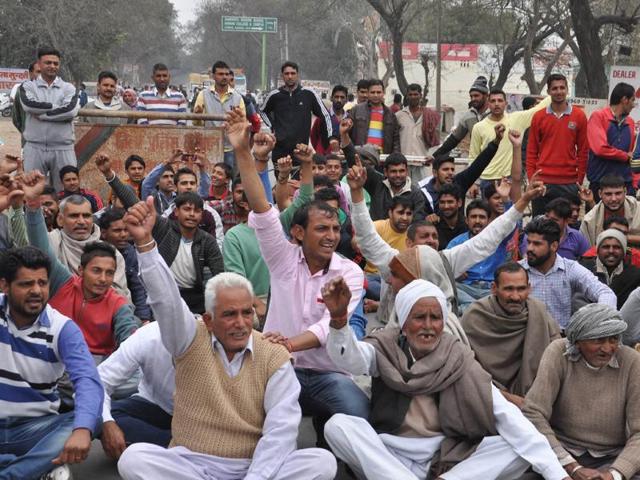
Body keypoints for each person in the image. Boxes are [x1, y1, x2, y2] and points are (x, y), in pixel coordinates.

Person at [117, 197, 337, 480]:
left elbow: (281, 430)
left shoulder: (273, 355)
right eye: (230, 314)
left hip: (254, 466)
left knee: (320, 462)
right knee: (134, 459)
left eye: (247, 313)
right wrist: (146, 246)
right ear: (208, 320)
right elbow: (167, 302)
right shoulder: (188, 341)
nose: (241, 323)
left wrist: (255, 477)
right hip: (191, 464)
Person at [324, 278, 571, 480]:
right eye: (419, 317)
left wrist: (558, 475)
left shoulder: (457, 357)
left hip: (445, 456)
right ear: (404, 322)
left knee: (516, 447)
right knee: (337, 425)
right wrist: (338, 321)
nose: (428, 326)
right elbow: (351, 360)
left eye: (436, 318)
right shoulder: (385, 348)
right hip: (390, 452)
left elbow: (505, 414)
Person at [227, 107, 369, 444]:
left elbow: (326, 329)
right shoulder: (282, 257)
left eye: (336, 228)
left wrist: (289, 343)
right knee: (264, 433)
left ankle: (329, 438)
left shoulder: (348, 271)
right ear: (298, 234)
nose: (331, 236)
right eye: (321, 228)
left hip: (327, 372)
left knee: (359, 413)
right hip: (277, 368)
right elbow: (261, 206)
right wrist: (243, 152)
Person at [347, 156, 545, 331]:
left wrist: (523, 201)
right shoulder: (395, 262)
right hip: (397, 328)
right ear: (409, 243)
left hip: (440, 331)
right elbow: (367, 237)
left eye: (434, 237)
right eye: (424, 237)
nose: (431, 241)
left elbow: (487, 239)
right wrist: (357, 193)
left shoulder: (446, 260)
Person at [0, 246, 102, 480]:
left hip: (35, 429)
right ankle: (36, 468)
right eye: (26, 284)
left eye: (42, 283)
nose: (36, 291)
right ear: (5, 286)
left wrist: (81, 430)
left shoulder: (62, 328)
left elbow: (87, 380)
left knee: (91, 419)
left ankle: (12, 473)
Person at [523, 304, 640, 480]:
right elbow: (533, 412)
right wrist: (571, 466)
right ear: (577, 341)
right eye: (598, 340)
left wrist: (614, 474)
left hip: (613, 456)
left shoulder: (631, 361)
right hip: (561, 451)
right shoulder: (558, 352)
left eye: (613, 339)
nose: (607, 349)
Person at [462, 262, 560, 406]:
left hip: (536, 397)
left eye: (521, 289)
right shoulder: (475, 316)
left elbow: (557, 356)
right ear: (494, 289)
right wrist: (506, 398)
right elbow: (466, 370)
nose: (515, 296)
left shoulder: (538, 312)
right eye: (508, 289)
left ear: (529, 289)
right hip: (487, 396)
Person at [519, 216, 616, 330]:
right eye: (529, 242)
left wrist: (599, 322)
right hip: (526, 336)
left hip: (561, 339)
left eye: (537, 244)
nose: (529, 248)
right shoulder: (518, 270)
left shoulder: (569, 269)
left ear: (554, 246)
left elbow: (605, 293)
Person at [97, 322, 174, 460]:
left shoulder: (215, 339)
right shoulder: (148, 335)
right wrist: (107, 423)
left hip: (205, 418)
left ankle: (177, 450)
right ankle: (177, 447)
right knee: (98, 414)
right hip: (158, 407)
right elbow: (97, 382)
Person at [526, 74, 588, 217]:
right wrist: (532, 179)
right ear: (548, 91)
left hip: (569, 183)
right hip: (543, 183)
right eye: (554, 88)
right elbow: (531, 151)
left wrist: (578, 180)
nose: (559, 91)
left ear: (567, 89)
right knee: (540, 226)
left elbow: (583, 151)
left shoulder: (579, 116)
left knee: (567, 227)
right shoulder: (538, 117)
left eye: (562, 87)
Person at [19, 47, 80, 191]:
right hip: (34, 146)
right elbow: (29, 105)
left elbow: (70, 110)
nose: (52, 66)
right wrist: (58, 108)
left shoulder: (68, 88)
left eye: (55, 63)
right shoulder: (28, 86)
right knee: (31, 190)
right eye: (48, 63)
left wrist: (42, 115)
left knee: (67, 191)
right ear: (39, 64)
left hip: (63, 147)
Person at [48, 193, 130, 298]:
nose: (81, 222)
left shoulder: (112, 253)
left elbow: (120, 296)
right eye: (74, 216)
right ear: (60, 220)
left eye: (86, 216)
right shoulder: (51, 243)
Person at [469, 88, 549, 184]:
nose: (496, 104)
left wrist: (553, 94)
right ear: (488, 104)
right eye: (493, 101)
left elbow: (538, 109)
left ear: (506, 103)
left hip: (510, 179)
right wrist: (472, 182)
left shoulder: (516, 119)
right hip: (486, 179)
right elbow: (473, 157)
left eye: (500, 100)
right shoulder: (478, 127)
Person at [419, 125, 503, 214]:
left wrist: (496, 142)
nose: (450, 173)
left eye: (452, 169)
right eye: (445, 169)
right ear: (435, 173)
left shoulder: (459, 183)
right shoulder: (424, 193)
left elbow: (479, 164)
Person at [260, 61, 332, 163]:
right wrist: (272, 126)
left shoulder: (308, 94)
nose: (290, 76)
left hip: (301, 150)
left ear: (297, 75)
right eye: (287, 73)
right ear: (282, 76)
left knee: (301, 179)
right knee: (280, 179)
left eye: (293, 73)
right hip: (279, 150)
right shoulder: (275, 95)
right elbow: (262, 111)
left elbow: (325, 115)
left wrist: (329, 139)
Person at [447, 199, 512, 311]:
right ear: (467, 220)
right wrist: (455, 272)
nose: (477, 221)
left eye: (482, 217)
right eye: (473, 217)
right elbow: (444, 268)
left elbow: (512, 221)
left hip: (491, 289)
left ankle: (471, 309)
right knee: (448, 288)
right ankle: (478, 308)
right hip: (465, 288)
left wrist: (506, 200)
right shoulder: (456, 243)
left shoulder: (498, 239)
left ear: (488, 220)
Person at [98, 208, 153, 323]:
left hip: (125, 310)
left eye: (126, 230)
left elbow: (138, 287)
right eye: (117, 231)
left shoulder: (131, 252)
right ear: (103, 233)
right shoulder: (95, 253)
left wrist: (143, 318)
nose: (123, 235)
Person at [587, 82, 637, 199]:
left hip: (624, 183)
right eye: (632, 100)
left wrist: (633, 182)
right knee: (597, 217)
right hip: (601, 181)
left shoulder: (630, 122)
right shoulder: (598, 117)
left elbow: (632, 154)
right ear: (624, 100)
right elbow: (600, 149)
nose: (634, 105)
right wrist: (625, 156)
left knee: (627, 217)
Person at [193, 61, 245, 169]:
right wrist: (197, 115)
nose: (224, 77)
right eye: (221, 74)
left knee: (227, 178)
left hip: (229, 147)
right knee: (208, 178)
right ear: (213, 76)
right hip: (208, 146)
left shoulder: (237, 97)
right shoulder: (203, 95)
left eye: (226, 74)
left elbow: (243, 121)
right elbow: (196, 123)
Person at [364, 196, 414, 301]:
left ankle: (381, 304)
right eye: (400, 213)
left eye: (409, 214)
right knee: (365, 284)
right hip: (374, 277)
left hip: (400, 279)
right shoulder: (378, 226)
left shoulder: (413, 234)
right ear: (390, 213)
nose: (405, 218)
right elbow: (357, 240)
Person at [579, 228, 640, 308]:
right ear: (597, 250)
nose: (611, 251)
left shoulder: (635, 275)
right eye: (606, 247)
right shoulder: (583, 270)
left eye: (616, 247)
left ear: (624, 251)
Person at [432, 76, 490, 157]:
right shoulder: (468, 116)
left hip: (496, 162)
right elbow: (454, 139)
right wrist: (435, 156)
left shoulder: (495, 114)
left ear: (486, 96)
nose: (473, 99)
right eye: (471, 96)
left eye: (476, 96)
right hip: (476, 161)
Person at [396, 84, 441, 182]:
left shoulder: (429, 115)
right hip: (403, 163)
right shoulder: (399, 116)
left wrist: (432, 155)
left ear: (420, 95)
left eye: (415, 94)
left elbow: (435, 139)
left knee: (420, 192)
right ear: (407, 96)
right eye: (410, 94)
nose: (413, 97)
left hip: (422, 162)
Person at [520, 198, 590, 261]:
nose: (548, 222)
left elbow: (588, 261)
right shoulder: (532, 236)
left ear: (566, 221)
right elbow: (526, 260)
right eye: (547, 217)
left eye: (554, 220)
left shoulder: (577, 237)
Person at [580, 174, 640, 246]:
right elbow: (586, 252)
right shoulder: (589, 221)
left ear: (625, 191)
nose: (613, 199)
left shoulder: (638, 209)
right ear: (600, 194)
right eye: (608, 194)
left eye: (618, 193)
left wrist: (622, 237)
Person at [348, 79, 400, 153]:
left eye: (378, 92)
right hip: (361, 156)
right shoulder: (356, 110)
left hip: (383, 158)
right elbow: (347, 134)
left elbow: (396, 140)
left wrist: (395, 158)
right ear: (368, 93)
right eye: (372, 92)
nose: (376, 95)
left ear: (383, 93)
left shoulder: (390, 114)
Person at [311, 85, 348, 154]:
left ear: (346, 100)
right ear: (331, 98)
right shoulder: (322, 116)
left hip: (342, 158)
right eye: (336, 97)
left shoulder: (349, 119)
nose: (339, 100)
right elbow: (313, 136)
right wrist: (320, 150)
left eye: (342, 97)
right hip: (324, 158)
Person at [11, 60, 40, 146]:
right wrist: (26, 131)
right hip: (29, 144)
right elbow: (16, 119)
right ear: (30, 73)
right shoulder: (22, 91)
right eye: (38, 72)